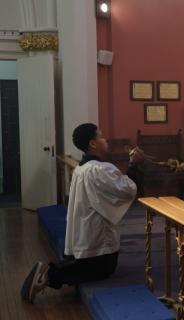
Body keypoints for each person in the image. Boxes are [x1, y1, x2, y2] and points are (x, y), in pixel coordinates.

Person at [21, 123, 144, 303]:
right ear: (93, 144)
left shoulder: (81, 168)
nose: (105, 139)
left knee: (93, 267)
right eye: (101, 137)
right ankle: (49, 274)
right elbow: (128, 190)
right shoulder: (99, 170)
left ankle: (52, 272)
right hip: (97, 236)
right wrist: (134, 165)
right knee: (103, 270)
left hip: (85, 234)